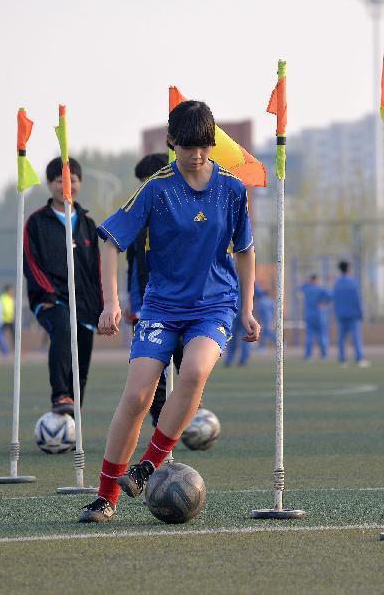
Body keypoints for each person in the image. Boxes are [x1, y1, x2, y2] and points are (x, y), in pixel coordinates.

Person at [79, 100, 259, 522]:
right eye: (187, 147)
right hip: (161, 306)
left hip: (214, 305)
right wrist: (112, 303)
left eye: (204, 147)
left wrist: (247, 309)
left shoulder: (232, 189)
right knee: (138, 396)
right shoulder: (157, 189)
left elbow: (246, 252)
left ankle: (147, 466)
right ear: (172, 143)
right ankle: (106, 496)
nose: (196, 156)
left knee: (195, 371)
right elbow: (109, 240)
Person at [23, 157, 103, 415]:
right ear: (49, 184)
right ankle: (60, 395)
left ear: (79, 183)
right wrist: (46, 293)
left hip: (84, 304)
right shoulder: (36, 222)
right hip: (51, 299)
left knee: (82, 357)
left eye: (72, 180)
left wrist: (102, 306)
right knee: (63, 329)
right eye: (59, 180)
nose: (66, 185)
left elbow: (96, 269)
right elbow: (30, 261)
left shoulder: (88, 225)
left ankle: (72, 416)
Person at [126, 153, 183, 426]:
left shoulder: (184, 216)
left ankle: (189, 414)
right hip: (149, 309)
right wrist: (134, 306)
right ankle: (160, 419)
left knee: (186, 359)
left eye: (147, 180)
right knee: (151, 372)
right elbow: (133, 266)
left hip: (184, 305)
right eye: (141, 183)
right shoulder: (138, 221)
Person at [333, 261, 369, 367]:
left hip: (341, 314)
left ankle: (342, 359)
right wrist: (361, 312)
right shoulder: (353, 282)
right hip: (353, 314)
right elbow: (357, 299)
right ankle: (359, 358)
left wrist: (337, 311)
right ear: (348, 268)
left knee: (341, 338)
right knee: (356, 337)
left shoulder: (337, 283)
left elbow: (335, 299)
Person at [301, 275, 331, 360]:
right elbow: (330, 295)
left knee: (309, 336)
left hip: (309, 315)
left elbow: (301, 287)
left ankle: (308, 355)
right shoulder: (320, 289)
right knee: (322, 335)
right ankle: (324, 355)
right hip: (319, 315)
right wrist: (325, 303)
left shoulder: (307, 289)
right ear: (317, 280)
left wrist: (307, 282)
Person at [224, 291, 251, 367]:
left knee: (232, 338)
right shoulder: (248, 281)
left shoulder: (231, 280)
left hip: (233, 313)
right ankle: (242, 360)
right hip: (243, 314)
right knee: (245, 338)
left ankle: (229, 360)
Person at [254, 282, 276, 348]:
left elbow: (259, 311)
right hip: (269, 318)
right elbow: (273, 310)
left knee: (266, 332)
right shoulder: (270, 300)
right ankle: (262, 346)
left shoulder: (261, 301)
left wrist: (258, 319)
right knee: (265, 332)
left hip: (264, 318)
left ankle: (279, 341)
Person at [0, 284, 15, 350]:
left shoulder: (11, 298)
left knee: (14, 334)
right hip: (4, 320)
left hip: (10, 320)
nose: (12, 291)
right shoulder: (2, 298)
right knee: (0, 334)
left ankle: (14, 347)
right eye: (10, 290)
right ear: (7, 290)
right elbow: (3, 309)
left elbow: (12, 308)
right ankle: (1, 347)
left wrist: (13, 315)